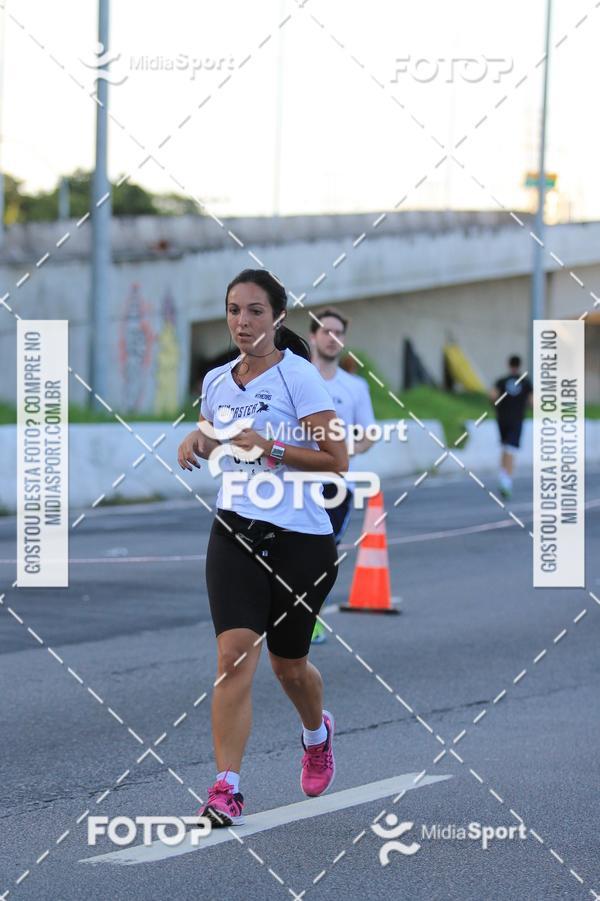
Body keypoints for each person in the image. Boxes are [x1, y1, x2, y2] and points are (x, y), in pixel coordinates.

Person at [177, 269, 348, 827]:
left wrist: (273, 448)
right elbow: (218, 430)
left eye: (254, 311)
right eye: (233, 310)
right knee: (232, 659)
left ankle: (316, 734)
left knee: (290, 665)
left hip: (301, 538)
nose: (242, 322)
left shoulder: (300, 377)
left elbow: (337, 460)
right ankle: (226, 786)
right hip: (235, 530)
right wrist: (198, 438)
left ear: (277, 316)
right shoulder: (218, 380)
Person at [308, 308, 376, 643]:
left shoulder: (355, 387)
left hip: (336, 484)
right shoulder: (297, 377)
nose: (332, 338)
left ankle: (312, 618)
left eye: (339, 333)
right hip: (296, 480)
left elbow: (368, 433)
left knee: (322, 553)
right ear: (313, 336)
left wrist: (347, 450)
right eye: (326, 331)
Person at [490, 355, 533, 499]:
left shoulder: (501, 381)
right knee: (511, 449)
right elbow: (532, 402)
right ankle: (506, 481)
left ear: (509, 365)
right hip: (516, 420)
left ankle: (503, 476)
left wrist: (498, 406)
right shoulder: (526, 382)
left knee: (504, 447)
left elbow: (492, 396)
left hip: (502, 419)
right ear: (519, 365)